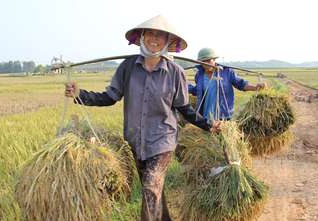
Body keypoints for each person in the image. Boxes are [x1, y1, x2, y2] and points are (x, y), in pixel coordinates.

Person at [64, 15, 220, 221]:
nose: (154, 39)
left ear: (167, 42)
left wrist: (209, 125)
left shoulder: (175, 72)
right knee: (154, 191)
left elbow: (184, 108)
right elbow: (109, 97)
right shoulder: (127, 67)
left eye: (160, 36)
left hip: (163, 141)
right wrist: (80, 95)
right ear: (142, 37)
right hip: (135, 141)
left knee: (150, 187)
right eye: (150, 34)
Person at [188, 47, 266, 121]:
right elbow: (198, 91)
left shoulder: (227, 72)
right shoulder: (199, 75)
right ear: (200, 62)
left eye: (209, 60)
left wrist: (255, 87)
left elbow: (240, 84)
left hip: (223, 115)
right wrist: (184, 86)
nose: (206, 63)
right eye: (203, 61)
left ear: (214, 60)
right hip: (205, 115)